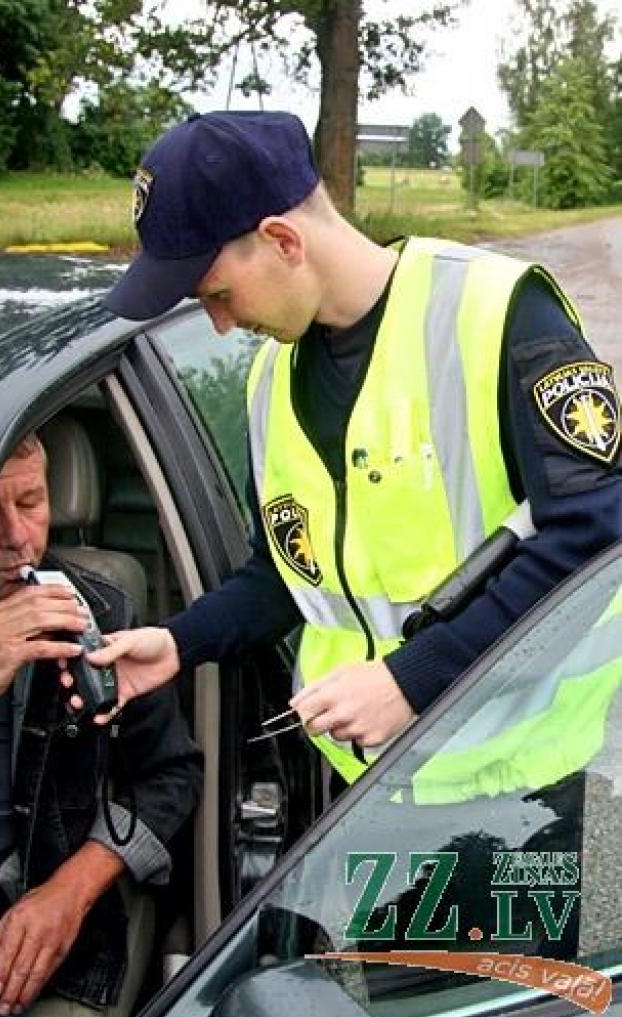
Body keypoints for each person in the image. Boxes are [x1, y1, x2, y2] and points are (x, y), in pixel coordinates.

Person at [90, 109, 621, 787]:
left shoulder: (496, 311)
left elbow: (597, 533)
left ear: (283, 240)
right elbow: (288, 576)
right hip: (357, 783)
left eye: (217, 294)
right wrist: (178, 642)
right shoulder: (272, 379)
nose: (220, 323)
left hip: (511, 788)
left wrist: (412, 679)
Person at [0, 434, 204, 1017]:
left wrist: (71, 890)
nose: (17, 537)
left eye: (31, 503)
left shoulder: (97, 613)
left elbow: (171, 774)